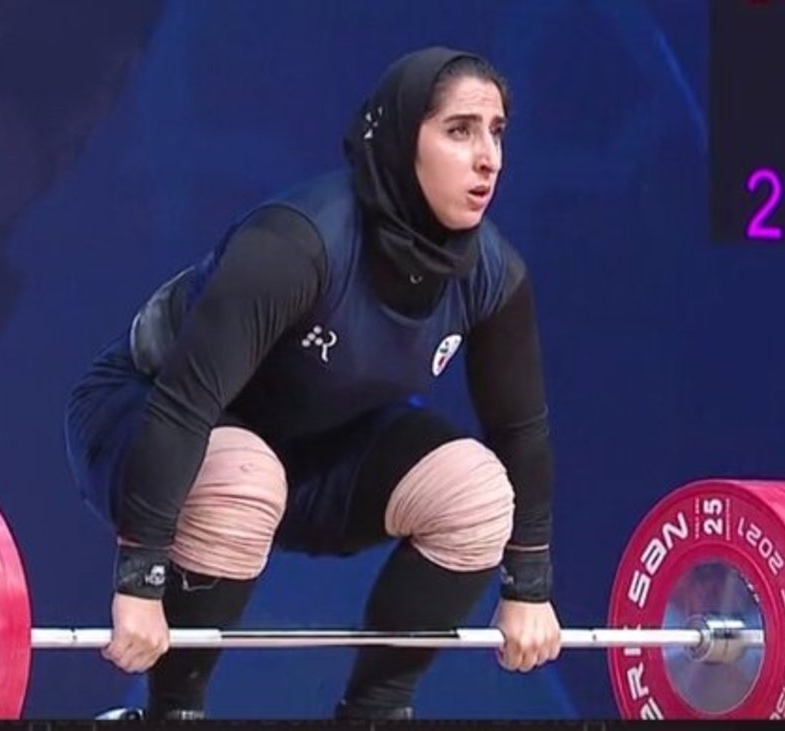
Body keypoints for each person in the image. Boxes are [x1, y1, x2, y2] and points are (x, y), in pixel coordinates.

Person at [64, 46, 562, 720]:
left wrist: (528, 587)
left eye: (496, 132)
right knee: (245, 477)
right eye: (459, 130)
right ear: (400, 136)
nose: (488, 158)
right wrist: (140, 581)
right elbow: (184, 404)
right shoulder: (299, 244)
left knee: (476, 496)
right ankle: (169, 710)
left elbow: (520, 433)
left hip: (310, 451)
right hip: (144, 415)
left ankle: (375, 711)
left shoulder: (494, 276)